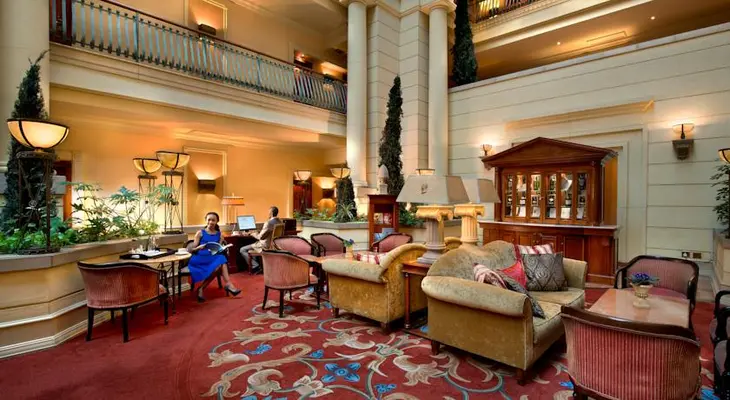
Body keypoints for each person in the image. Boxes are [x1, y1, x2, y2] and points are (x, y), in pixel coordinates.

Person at [188, 211, 241, 302]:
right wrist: (199, 247)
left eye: (213, 220)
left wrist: (222, 247)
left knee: (220, 260)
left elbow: (218, 249)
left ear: (217, 221)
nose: (211, 222)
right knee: (220, 262)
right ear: (206, 220)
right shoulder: (200, 233)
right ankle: (228, 284)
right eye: (209, 220)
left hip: (212, 256)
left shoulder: (219, 234)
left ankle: (201, 288)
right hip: (200, 258)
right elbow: (191, 250)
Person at [240, 206, 282, 272]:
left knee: (242, 249)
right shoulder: (280, 222)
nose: (268, 213)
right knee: (253, 246)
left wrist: (251, 233)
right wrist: (257, 232)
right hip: (275, 246)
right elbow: (267, 233)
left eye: (268, 212)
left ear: (271, 213)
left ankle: (255, 266)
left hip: (265, 246)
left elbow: (260, 237)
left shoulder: (268, 223)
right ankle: (257, 266)